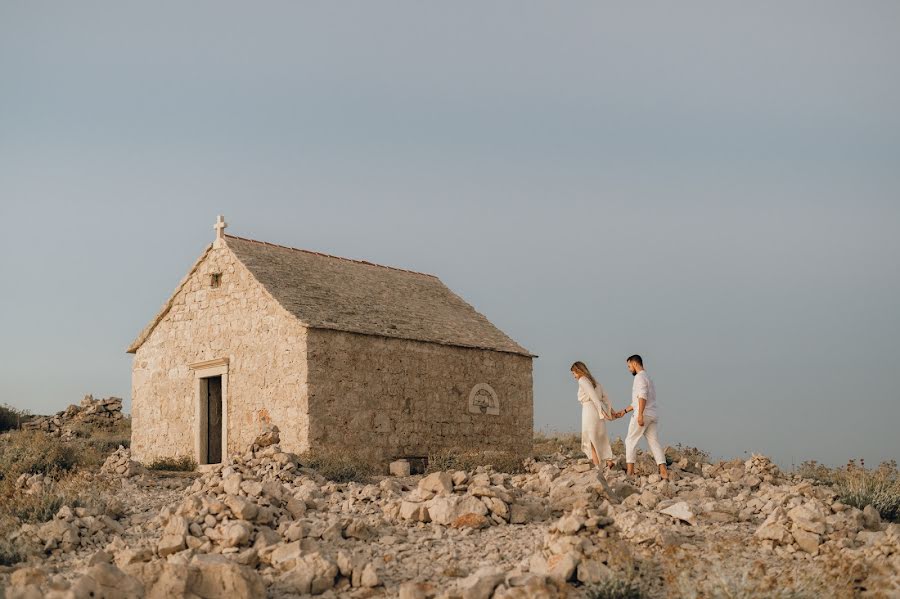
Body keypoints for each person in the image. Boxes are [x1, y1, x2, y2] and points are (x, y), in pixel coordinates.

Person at [613, 354, 668, 479]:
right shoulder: (648, 378)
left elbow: (642, 397)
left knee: (630, 440)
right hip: (653, 414)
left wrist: (640, 415)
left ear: (634, 363)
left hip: (644, 413)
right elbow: (638, 400)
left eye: (629, 366)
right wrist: (624, 411)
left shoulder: (639, 378)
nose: (628, 369)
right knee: (654, 441)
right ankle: (663, 470)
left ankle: (630, 472)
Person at [571, 361, 617, 470]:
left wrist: (604, 413)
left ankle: (597, 467)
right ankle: (609, 461)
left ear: (579, 371)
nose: (574, 377)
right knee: (600, 437)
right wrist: (611, 411)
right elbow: (605, 397)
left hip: (590, 411)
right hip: (597, 411)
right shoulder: (595, 382)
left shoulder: (582, 380)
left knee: (591, 439)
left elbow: (593, 397)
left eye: (574, 373)